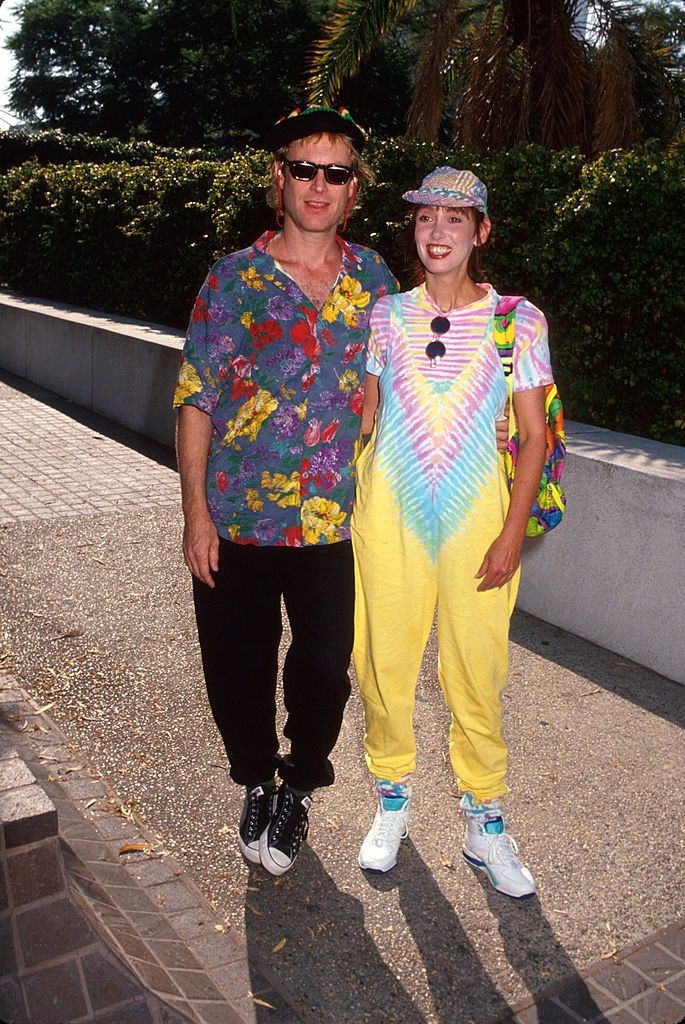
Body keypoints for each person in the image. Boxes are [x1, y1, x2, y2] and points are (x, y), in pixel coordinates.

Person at [173, 106, 399, 876]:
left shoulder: (374, 280)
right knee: (235, 666)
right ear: (279, 178)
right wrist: (195, 514)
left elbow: (404, 384)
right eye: (303, 168)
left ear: (353, 189)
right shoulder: (232, 279)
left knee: (325, 666)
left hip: (334, 523)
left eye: (335, 173)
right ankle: (255, 779)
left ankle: (301, 782)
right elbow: (197, 396)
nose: (318, 185)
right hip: (237, 517)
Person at [352, 167, 551, 899]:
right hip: (389, 519)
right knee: (382, 663)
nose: (437, 233)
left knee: (477, 671)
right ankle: (392, 801)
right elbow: (366, 421)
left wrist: (509, 533)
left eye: (455, 220)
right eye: (425, 218)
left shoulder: (516, 321)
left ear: (481, 232)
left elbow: (530, 437)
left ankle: (484, 821)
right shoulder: (383, 315)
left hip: (476, 524)